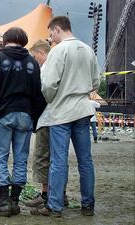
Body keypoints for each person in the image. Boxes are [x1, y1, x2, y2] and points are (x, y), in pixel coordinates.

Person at [31, 16, 100, 217]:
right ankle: (88, 205)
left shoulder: (58, 51)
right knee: (85, 161)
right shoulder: (88, 49)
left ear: (58, 29)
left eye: (51, 33)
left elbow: (49, 84)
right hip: (83, 110)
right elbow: (95, 81)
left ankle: (55, 206)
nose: (51, 38)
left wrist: (52, 99)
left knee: (59, 161)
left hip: (61, 112)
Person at [0, 27, 44, 217]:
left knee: (0, 157)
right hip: (25, 115)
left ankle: (3, 202)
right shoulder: (32, 62)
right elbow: (38, 93)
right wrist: (35, 118)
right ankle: (15, 201)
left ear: (5, 39)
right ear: (23, 41)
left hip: (2, 113)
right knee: (21, 159)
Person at [25, 40, 69, 208]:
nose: (35, 60)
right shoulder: (61, 65)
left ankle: (45, 195)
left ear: (41, 53)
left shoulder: (46, 68)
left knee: (43, 156)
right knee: (59, 158)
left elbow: (43, 92)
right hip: (62, 118)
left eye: (35, 56)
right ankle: (60, 194)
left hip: (48, 117)